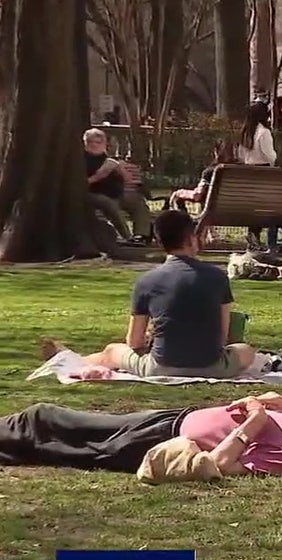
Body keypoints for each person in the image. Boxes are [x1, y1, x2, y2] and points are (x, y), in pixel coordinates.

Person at [62, 210, 256, 378]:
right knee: (246, 351)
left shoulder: (147, 281)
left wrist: (149, 338)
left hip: (160, 368)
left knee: (113, 351)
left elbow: (134, 341)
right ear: (191, 239)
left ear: (158, 241)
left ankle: (75, 360)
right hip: (213, 367)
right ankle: (71, 358)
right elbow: (221, 337)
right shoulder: (217, 276)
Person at [0, 392, 282, 476]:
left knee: (46, 423)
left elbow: (219, 465)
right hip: (169, 419)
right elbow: (276, 429)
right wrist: (279, 408)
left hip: (155, 443)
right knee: (47, 427)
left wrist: (254, 420)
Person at [82, 129, 152, 243]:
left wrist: (121, 171)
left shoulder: (107, 158)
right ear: (85, 143)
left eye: (99, 142)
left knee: (138, 202)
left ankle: (141, 235)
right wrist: (100, 174)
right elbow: (82, 182)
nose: (95, 145)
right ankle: (127, 237)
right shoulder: (82, 160)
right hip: (94, 194)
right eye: (91, 142)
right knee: (109, 205)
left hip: (117, 194)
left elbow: (127, 178)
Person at [237, 102, 280, 250]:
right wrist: (275, 158)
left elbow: (241, 156)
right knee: (266, 207)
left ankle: (253, 234)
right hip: (264, 172)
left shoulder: (245, 132)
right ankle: (265, 238)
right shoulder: (264, 132)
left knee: (254, 206)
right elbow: (269, 155)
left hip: (249, 172)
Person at [169, 141, 238, 210]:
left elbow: (197, 195)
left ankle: (184, 219)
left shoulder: (212, 172)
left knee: (178, 198)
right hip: (241, 215)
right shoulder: (244, 171)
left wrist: (178, 193)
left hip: (213, 216)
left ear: (216, 152)